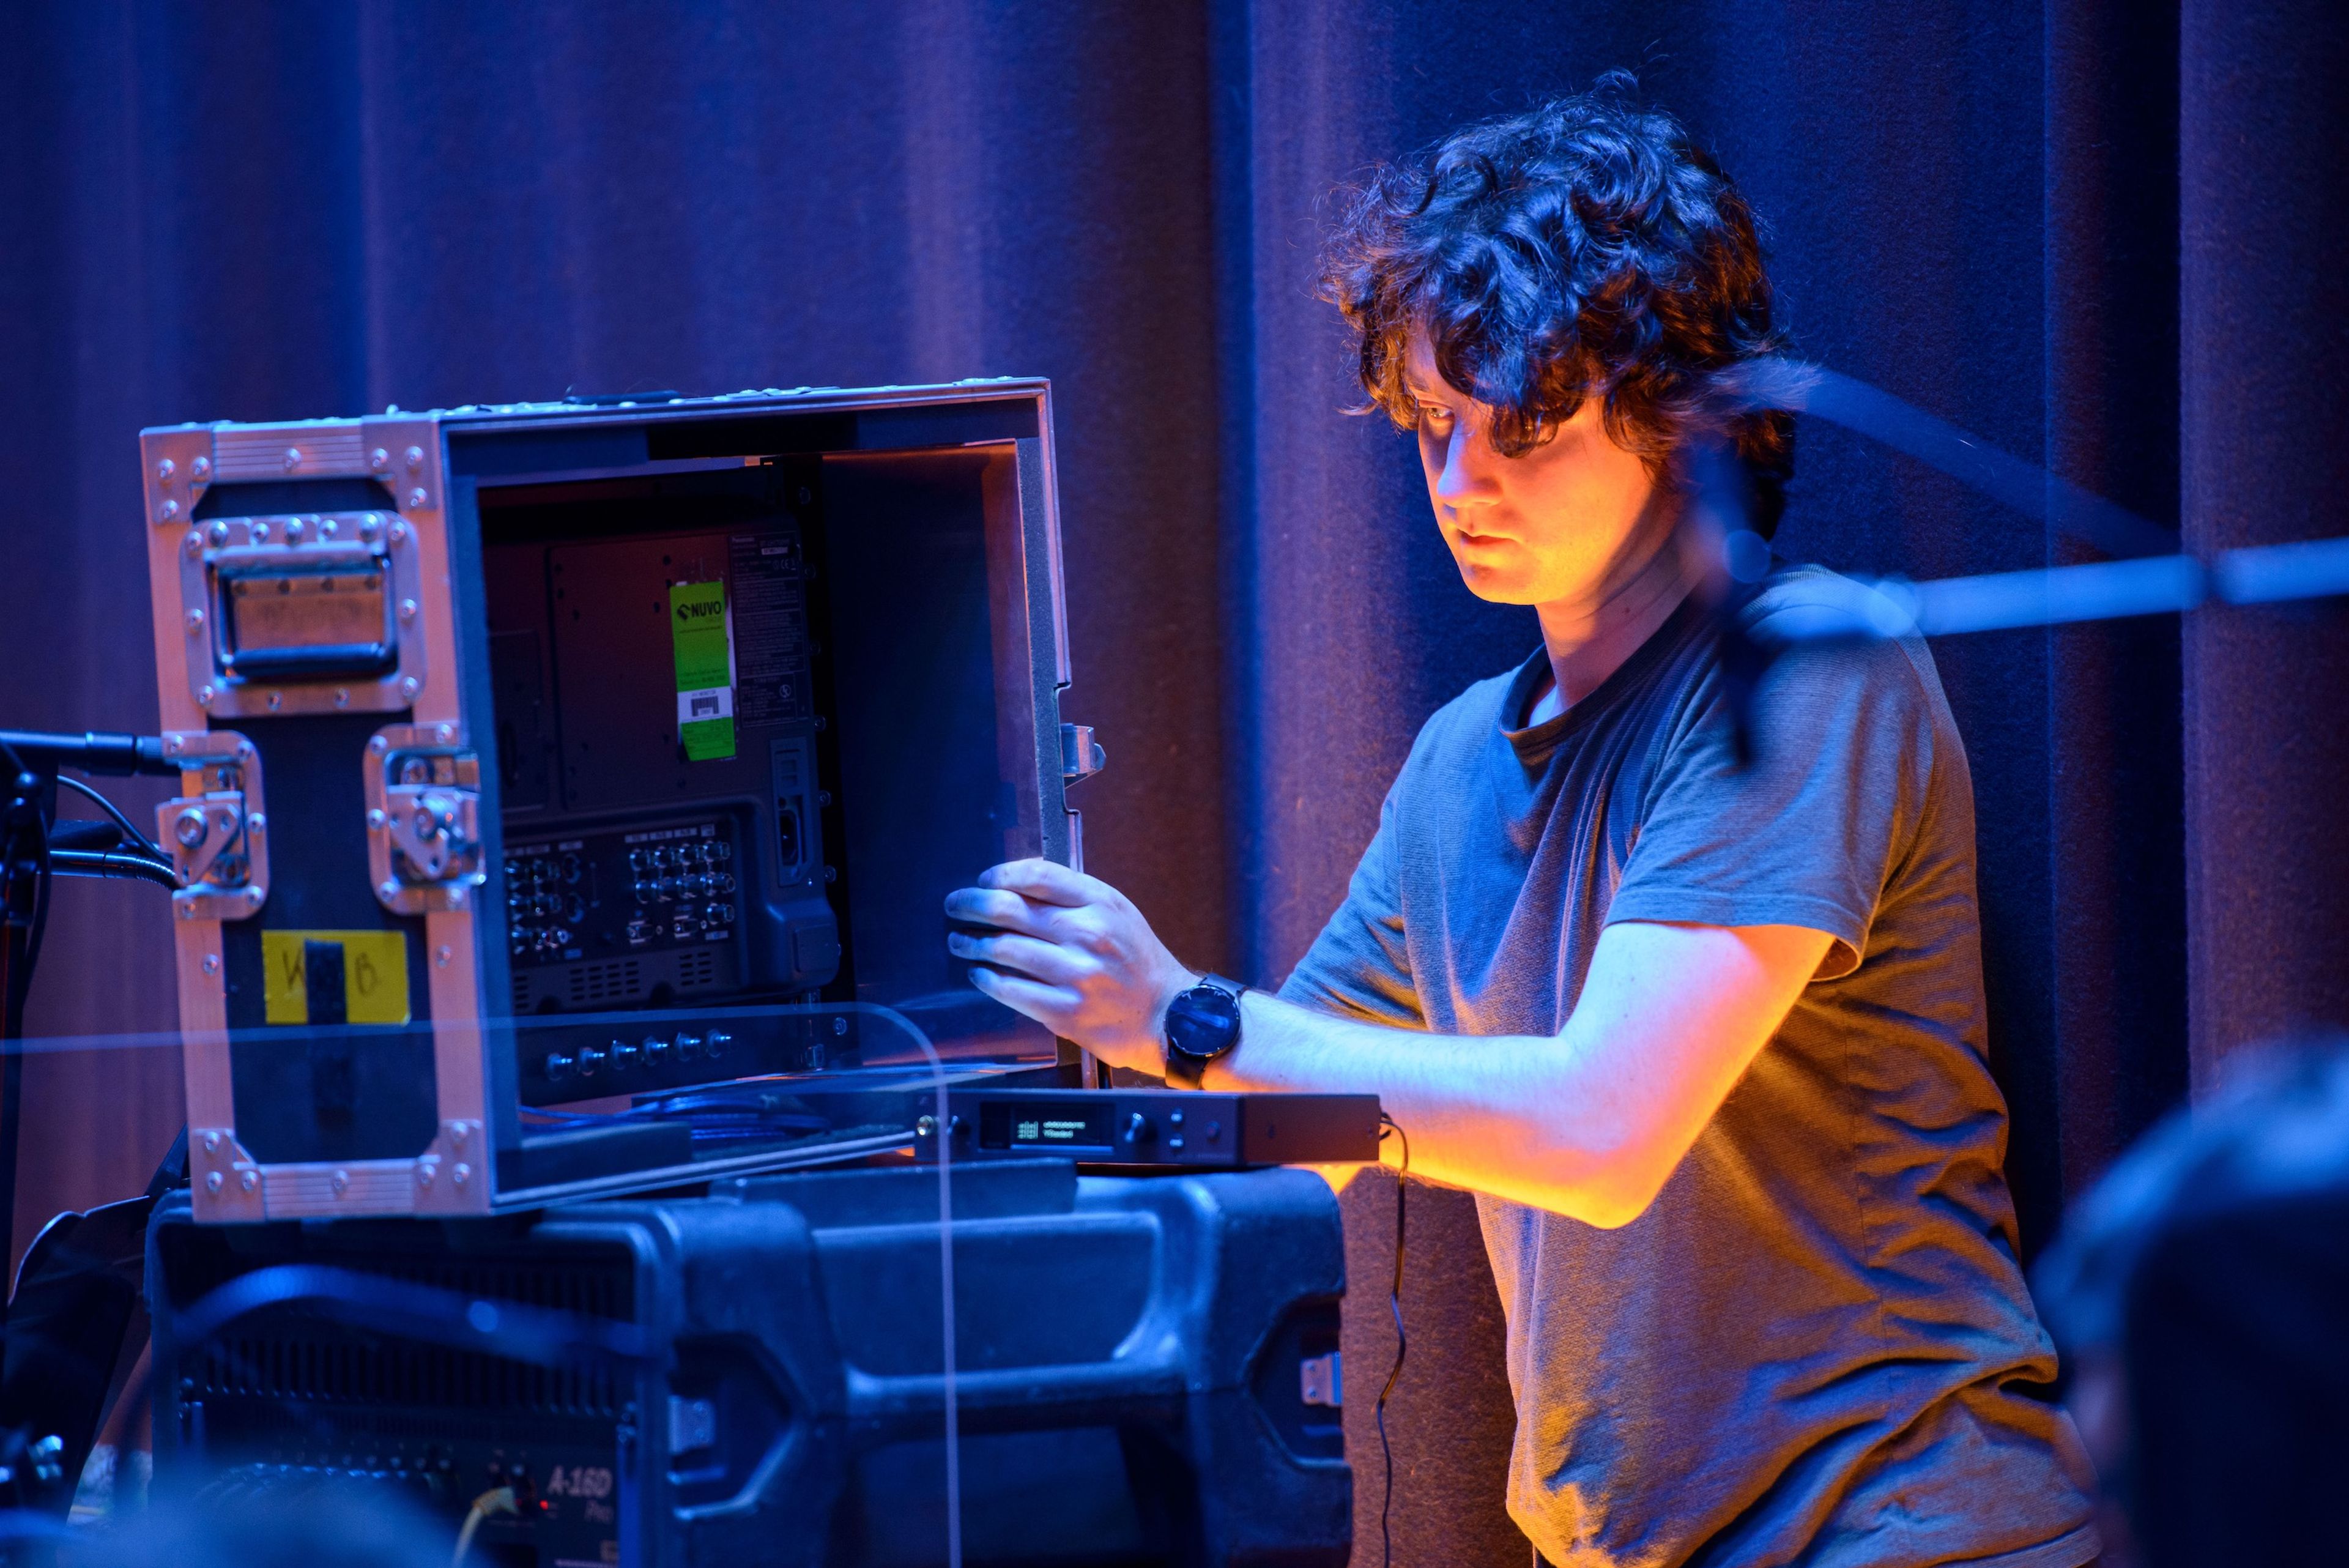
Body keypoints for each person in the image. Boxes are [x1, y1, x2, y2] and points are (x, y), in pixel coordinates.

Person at [946, 76, 2099, 1568]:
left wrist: (1183, 1012)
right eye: (1429, 426)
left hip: (1901, 1531)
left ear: (1683, 419)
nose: (1457, 482)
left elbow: (1606, 1124)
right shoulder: (1451, 764)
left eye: (1522, 431)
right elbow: (1299, 1128)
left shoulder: (1813, 670)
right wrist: (1006, 1086)